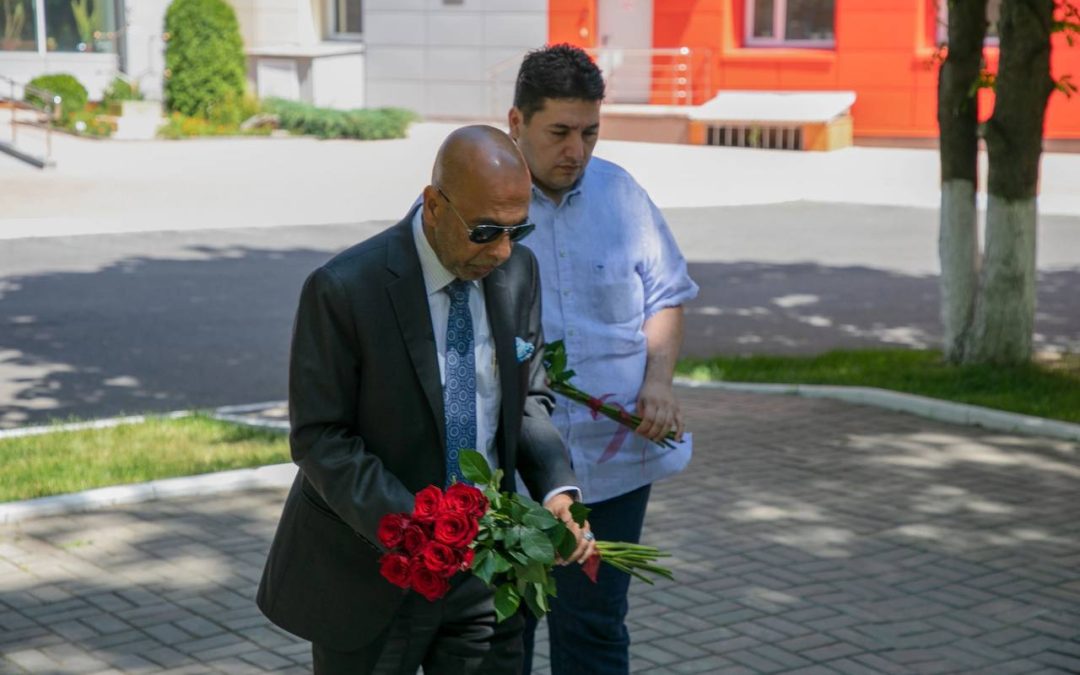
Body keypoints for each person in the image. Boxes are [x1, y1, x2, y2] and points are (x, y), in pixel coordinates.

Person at [256, 125, 596, 675]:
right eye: (486, 231)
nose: (503, 250)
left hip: (487, 573)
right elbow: (321, 438)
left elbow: (528, 399)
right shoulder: (345, 287)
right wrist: (415, 527)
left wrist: (557, 487)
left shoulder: (516, 271)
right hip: (372, 572)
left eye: (518, 230)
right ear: (435, 204)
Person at [508, 45, 700, 675]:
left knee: (593, 624)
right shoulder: (479, 201)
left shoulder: (622, 195)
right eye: (558, 132)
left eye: (590, 132)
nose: (577, 150)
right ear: (517, 123)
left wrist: (660, 383)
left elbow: (667, 295)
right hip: (514, 468)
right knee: (500, 627)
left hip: (613, 469)